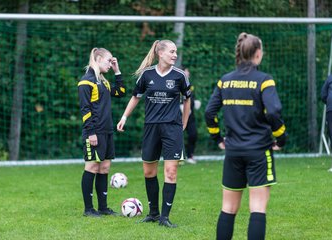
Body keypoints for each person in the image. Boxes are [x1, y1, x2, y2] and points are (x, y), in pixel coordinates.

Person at [205, 32, 287, 240]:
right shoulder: (264, 81)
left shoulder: (225, 81)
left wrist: (218, 139)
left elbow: (209, 113)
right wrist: (281, 138)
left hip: (233, 152)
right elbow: (274, 112)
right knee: (257, 208)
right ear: (258, 53)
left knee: (228, 208)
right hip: (259, 151)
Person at [117, 40, 192, 228]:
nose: (175, 55)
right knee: (149, 171)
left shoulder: (180, 76)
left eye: (176, 52)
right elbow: (135, 97)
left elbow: (188, 99)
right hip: (151, 127)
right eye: (172, 52)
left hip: (172, 128)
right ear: (160, 53)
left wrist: (184, 121)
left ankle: (164, 218)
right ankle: (153, 213)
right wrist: (124, 117)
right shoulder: (146, 74)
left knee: (171, 172)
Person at [78, 47, 126, 217]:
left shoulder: (104, 82)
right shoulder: (86, 81)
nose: (110, 63)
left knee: (104, 167)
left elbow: (120, 92)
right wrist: (91, 133)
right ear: (98, 60)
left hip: (107, 131)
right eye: (108, 60)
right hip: (94, 132)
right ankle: (88, 209)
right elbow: (85, 110)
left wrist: (117, 70)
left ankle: (103, 208)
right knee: (92, 166)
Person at [180, 66, 201, 164]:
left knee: (193, 135)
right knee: (177, 136)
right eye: (187, 71)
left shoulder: (190, 84)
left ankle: (190, 155)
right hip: (179, 116)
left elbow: (190, 96)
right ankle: (178, 157)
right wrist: (182, 108)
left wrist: (195, 102)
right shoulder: (177, 83)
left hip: (190, 116)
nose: (188, 72)